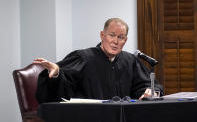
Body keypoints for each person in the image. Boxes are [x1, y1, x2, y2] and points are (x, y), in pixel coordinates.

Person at [34, 18, 163, 103]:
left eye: (121, 37)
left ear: (125, 40)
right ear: (102, 35)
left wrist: (151, 91)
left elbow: (144, 85)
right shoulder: (84, 58)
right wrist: (56, 73)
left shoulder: (130, 61)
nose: (115, 41)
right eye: (112, 35)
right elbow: (65, 84)